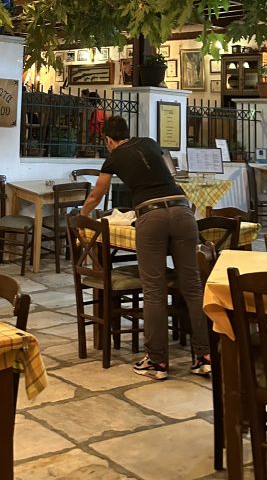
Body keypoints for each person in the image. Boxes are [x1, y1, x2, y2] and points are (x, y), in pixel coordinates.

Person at [80, 116, 210, 380]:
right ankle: (205, 357)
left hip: (151, 217)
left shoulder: (113, 157)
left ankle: (158, 361)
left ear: (108, 140)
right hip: (183, 211)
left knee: (154, 289)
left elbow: (98, 194)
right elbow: (167, 173)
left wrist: (82, 215)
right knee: (193, 286)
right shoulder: (150, 142)